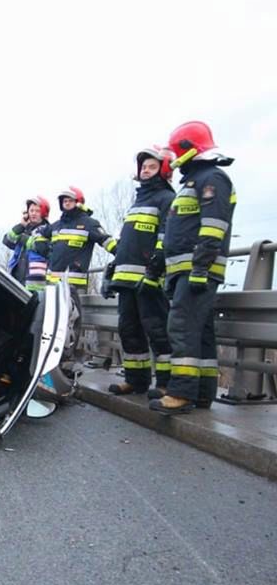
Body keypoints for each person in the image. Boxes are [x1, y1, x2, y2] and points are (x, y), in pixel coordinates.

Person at [150, 121, 236, 415]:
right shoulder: (194, 182)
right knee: (200, 333)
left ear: (188, 149)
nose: (172, 160)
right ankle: (201, 393)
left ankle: (181, 393)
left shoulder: (212, 179)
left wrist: (199, 269)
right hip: (185, 271)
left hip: (197, 271)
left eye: (175, 152)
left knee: (182, 328)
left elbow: (213, 229)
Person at [106, 147, 176, 395]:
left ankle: (167, 384)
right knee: (129, 331)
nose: (145, 171)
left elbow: (165, 238)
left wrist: (154, 272)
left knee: (157, 331)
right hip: (126, 282)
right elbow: (128, 243)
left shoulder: (167, 199)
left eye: (152, 167)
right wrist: (111, 272)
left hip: (149, 280)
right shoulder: (138, 202)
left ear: (163, 170)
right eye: (143, 167)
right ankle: (136, 381)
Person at [30, 187, 116, 366]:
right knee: (51, 322)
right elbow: (37, 233)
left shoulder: (88, 223)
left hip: (73, 285)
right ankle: (51, 358)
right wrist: (42, 247)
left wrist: (123, 256)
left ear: (78, 202)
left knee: (70, 322)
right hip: (53, 285)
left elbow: (106, 241)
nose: (66, 203)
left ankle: (66, 360)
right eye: (63, 201)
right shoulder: (56, 225)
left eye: (69, 200)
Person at [2, 196, 50, 290]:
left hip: (36, 286)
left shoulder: (48, 230)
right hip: (15, 281)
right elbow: (7, 241)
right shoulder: (23, 230)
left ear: (44, 213)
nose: (33, 213)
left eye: (37, 211)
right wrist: (21, 225)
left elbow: (44, 249)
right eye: (31, 210)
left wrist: (25, 239)